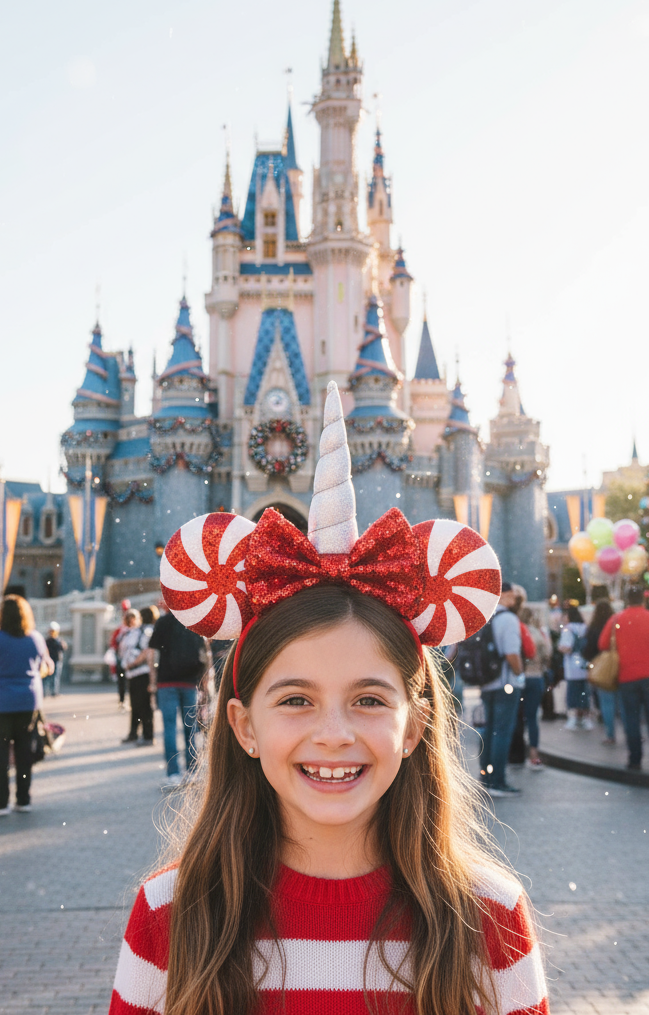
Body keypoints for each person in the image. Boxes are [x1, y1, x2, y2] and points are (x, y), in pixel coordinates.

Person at [108, 382, 546, 1014]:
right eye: (294, 700)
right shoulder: (171, 917)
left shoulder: (490, 920)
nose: (334, 732)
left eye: (369, 699)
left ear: (417, 724)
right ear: (243, 725)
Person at [0, 595, 51, 816]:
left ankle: (1, 802)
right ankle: (23, 799)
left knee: (0, 753)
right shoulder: (35, 638)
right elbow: (48, 663)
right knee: (24, 752)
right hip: (28, 701)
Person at [599, 585, 649, 774]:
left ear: (627, 600)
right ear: (643, 599)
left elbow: (602, 644)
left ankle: (635, 760)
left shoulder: (616, 619)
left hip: (627, 677)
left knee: (631, 720)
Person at [148, 606, 209, 788]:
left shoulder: (163, 622)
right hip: (189, 682)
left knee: (169, 728)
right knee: (190, 727)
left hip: (166, 682)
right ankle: (192, 771)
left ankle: (173, 774)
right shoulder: (194, 621)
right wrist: (204, 682)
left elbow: (152, 653)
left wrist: (152, 681)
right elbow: (204, 653)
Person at [478, 582, 525, 797]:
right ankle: (498, 781)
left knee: (489, 730)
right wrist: (519, 673)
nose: (515, 600)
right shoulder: (508, 619)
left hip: (487, 682)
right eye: (512, 595)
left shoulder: (484, 616)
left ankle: (486, 778)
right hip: (505, 682)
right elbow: (512, 654)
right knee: (502, 732)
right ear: (504, 595)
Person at [120, 606, 158, 746]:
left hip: (142, 672)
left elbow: (148, 650)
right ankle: (133, 733)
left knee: (145, 705)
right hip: (132, 673)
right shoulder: (133, 632)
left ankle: (148, 736)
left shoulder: (146, 632)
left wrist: (134, 663)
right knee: (135, 705)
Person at [520, 606, 551, 770]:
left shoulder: (518, 630)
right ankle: (534, 755)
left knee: (517, 718)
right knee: (532, 718)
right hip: (536, 677)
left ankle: (516, 754)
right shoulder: (540, 634)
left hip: (520, 678)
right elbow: (548, 654)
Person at [583, 599, 618, 744]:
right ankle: (633, 733)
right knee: (623, 702)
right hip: (620, 665)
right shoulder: (616, 625)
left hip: (602, 668)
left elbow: (588, 649)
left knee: (606, 702)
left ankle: (610, 734)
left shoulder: (593, 628)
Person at [559, 603, 593, 730]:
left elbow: (566, 648)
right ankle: (586, 719)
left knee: (573, 693)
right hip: (585, 664)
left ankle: (573, 719)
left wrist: (559, 648)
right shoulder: (585, 628)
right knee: (584, 693)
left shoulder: (568, 629)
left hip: (572, 665)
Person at [44, 621, 66, 697]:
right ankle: (50, 692)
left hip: (54, 660)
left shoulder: (50, 641)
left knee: (53, 677)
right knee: (52, 677)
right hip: (53, 660)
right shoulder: (56, 641)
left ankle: (50, 692)